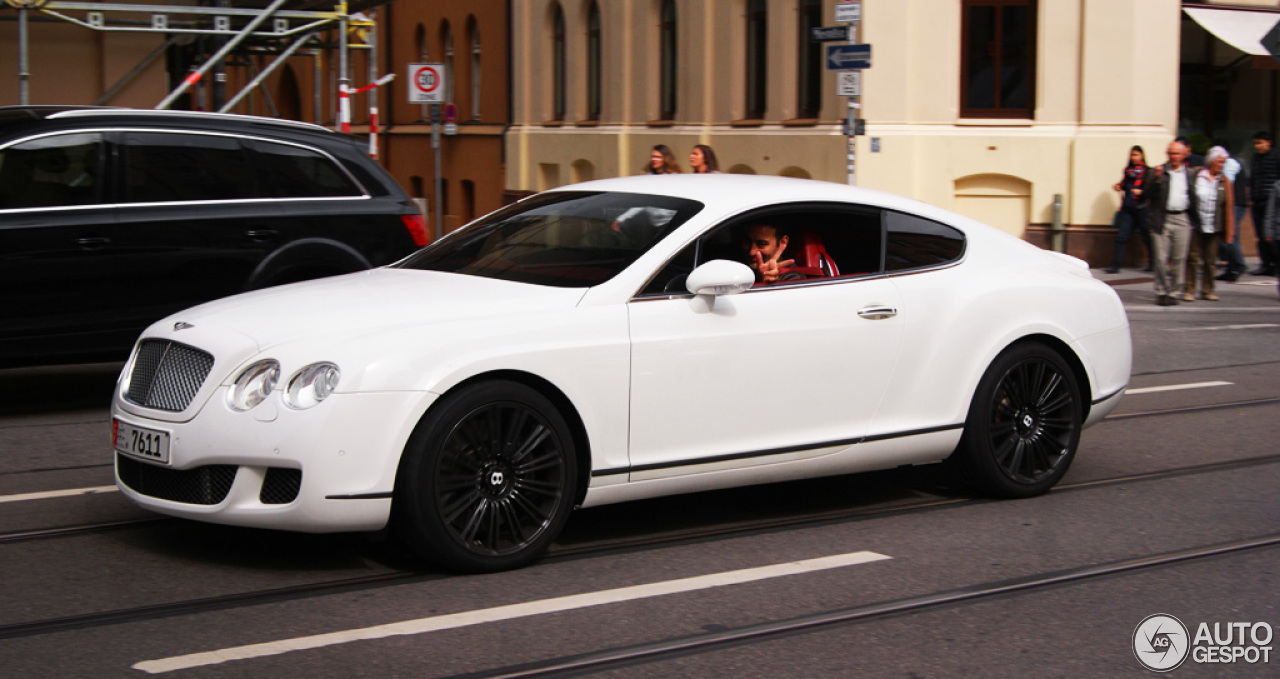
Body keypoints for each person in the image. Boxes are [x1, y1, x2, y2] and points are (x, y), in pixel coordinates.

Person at [1145, 139, 1200, 306]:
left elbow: (1193, 197)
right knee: (1161, 258)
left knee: (1179, 258)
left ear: (1184, 155)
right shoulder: (1158, 172)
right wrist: (1155, 179)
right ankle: (1162, 291)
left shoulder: (1189, 174)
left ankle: (1175, 292)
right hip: (1161, 218)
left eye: (1176, 153)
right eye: (1170, 153)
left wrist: (1196, 219)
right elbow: (1146, 194)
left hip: (1182, 217)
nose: (1173, 156)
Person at [1185, 146, 1234, 301]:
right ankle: (1189, 290)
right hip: (1197, 223)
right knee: (1193, 258)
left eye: (1223, 162)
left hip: (1215, 224)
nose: (1221, 165)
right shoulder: (1196, 175)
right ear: (1211, 160)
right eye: (1219, 162)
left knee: (1210, 260)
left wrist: (1228, 228)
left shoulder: (1223, 180)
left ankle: (1207, 290)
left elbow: (1228, 205)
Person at [1106, 145, 1154, 273]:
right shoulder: (1128, 171)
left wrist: (1141, 192)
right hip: (1128, 208)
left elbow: (1150, 190)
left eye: (1136, 155)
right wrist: (1117, 186)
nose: (1134, 157)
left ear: (1142, 155)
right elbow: (1123, 184)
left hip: (1141, 207)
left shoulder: (1148, 171)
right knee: (1122, 236)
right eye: (1132, 155)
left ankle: (1152, 263)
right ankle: (1115, 265)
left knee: (1146, 236)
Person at [1216, 140, 1249, 282]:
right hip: (1231, 203)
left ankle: (1239, 264)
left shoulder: (1231, 163)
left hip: (1236, 203)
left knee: (1231, 234)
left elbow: (1226, 183)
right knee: (1227, 234)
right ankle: (1231, 267)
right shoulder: (1226, 163)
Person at [1249, 131, 1280, 276]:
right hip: (1258, 199)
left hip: (1271, 200)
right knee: (1261, 235)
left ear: (1269, 142)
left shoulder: (1277, 157)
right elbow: (1254, 178)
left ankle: (1275, 263)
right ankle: (1265, 263)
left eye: (1260, 143)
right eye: (1255, 143)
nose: (1257, 146)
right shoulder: (1255, 158)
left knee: (1271, 234)